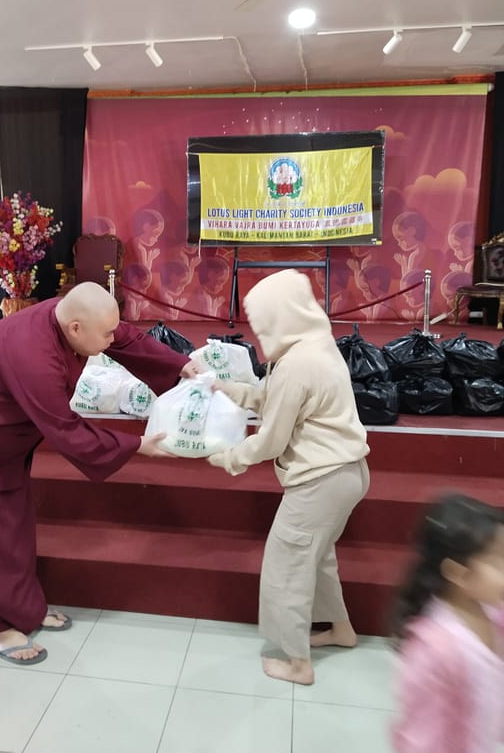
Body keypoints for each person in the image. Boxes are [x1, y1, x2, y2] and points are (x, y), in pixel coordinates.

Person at [0, 282, 199, 666]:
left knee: (13, 529)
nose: (111, 339)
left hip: (1, 439)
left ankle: (25, 609)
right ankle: (0, 628)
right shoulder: (33, 356)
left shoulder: (70, 316)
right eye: (105, 334)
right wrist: (136, 445)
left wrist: (178, 364)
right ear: (75, 328)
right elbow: (66, 430)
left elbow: (123, 336)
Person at [207, 269, 369, 685]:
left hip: (320, 480)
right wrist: (229, 389)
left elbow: (271, 440)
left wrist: (228, 458)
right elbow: (274, 396)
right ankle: (341, 629)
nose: (260, 332)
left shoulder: (296, 364)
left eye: (263, 322)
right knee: (318, 558)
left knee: (288, 566)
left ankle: (298, 663)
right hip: (347, 474)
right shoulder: (316, 344)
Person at [391, 493, 504, 752]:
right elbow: (421, 741)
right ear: (458, 573)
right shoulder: (435, 652)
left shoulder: (493, 611)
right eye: (498, 561)